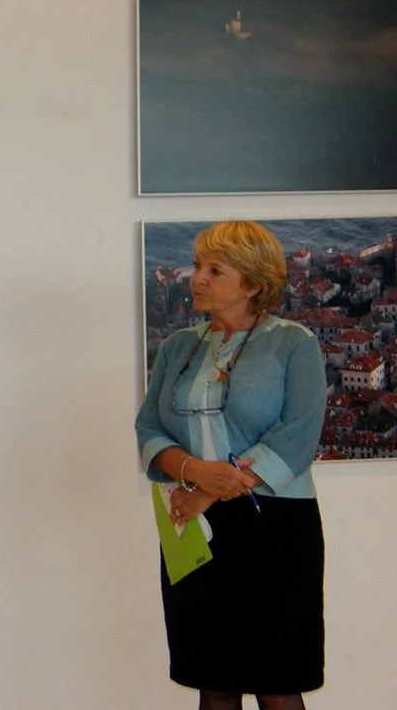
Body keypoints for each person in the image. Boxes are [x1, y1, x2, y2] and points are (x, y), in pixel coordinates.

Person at [135, 220, 326, 710]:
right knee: (213, 681)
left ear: (254, 284)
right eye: (197, 265)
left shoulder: (295, 343)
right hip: (193, 527)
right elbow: (149, 428)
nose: (197, 277)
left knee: (278, 685)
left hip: (275, 527)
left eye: (215, 270)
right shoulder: (178, 347)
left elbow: (298, 433)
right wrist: (194, 473)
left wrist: (212, 488)